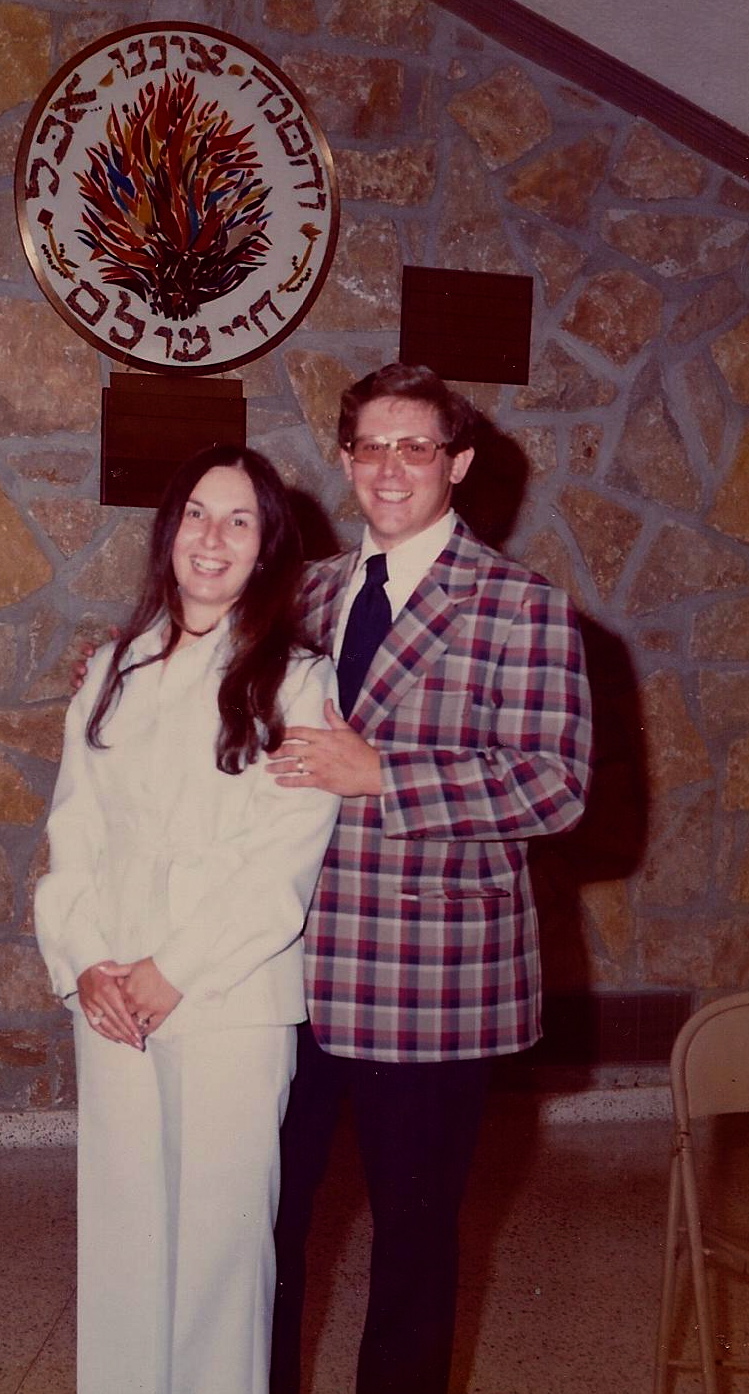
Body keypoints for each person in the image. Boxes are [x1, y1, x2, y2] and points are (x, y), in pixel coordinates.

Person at [262, 363, 593, 1394]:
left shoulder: (520, 606)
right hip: (282, 968)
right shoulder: (303, 592)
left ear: (457, 464)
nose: (390, 467)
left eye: (415, 447)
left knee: (411, 1242)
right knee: (261, 1223)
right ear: (344, 459)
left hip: (429, 976)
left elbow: (554, 785)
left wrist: (385, 774)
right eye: (370, 446)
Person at [36, 445, 342, 1394]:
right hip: (112, 999)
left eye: (238, 520)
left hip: (226, 999)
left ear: (267, 547)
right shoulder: (112, 670)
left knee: (218, 1254)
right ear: (167, 533)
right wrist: (85, 962)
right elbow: (73, 831)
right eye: (196, 515)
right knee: (123, 1239)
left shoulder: (297, 681)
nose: (212, 538)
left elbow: (281, 861)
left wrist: (173, 970)